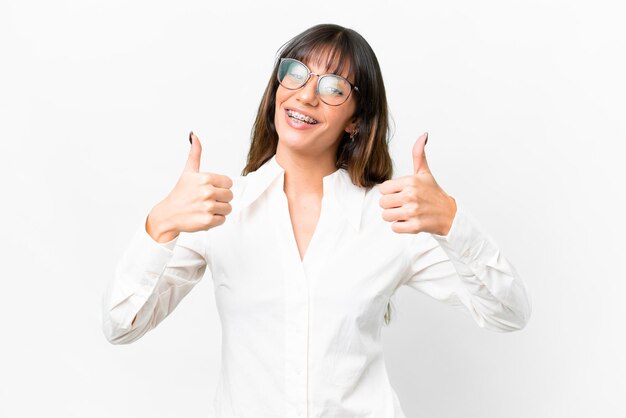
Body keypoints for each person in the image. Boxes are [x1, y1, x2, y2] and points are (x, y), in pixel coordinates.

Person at [102, 23, 532, 418]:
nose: (306, 95)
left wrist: (452, 222)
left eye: (333, 87)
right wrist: (160, 225)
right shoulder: (222, 209)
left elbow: (509, 313)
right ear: (276, 89)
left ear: (356, 121)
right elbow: (121, 327)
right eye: (295, 74)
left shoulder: (390, 215)